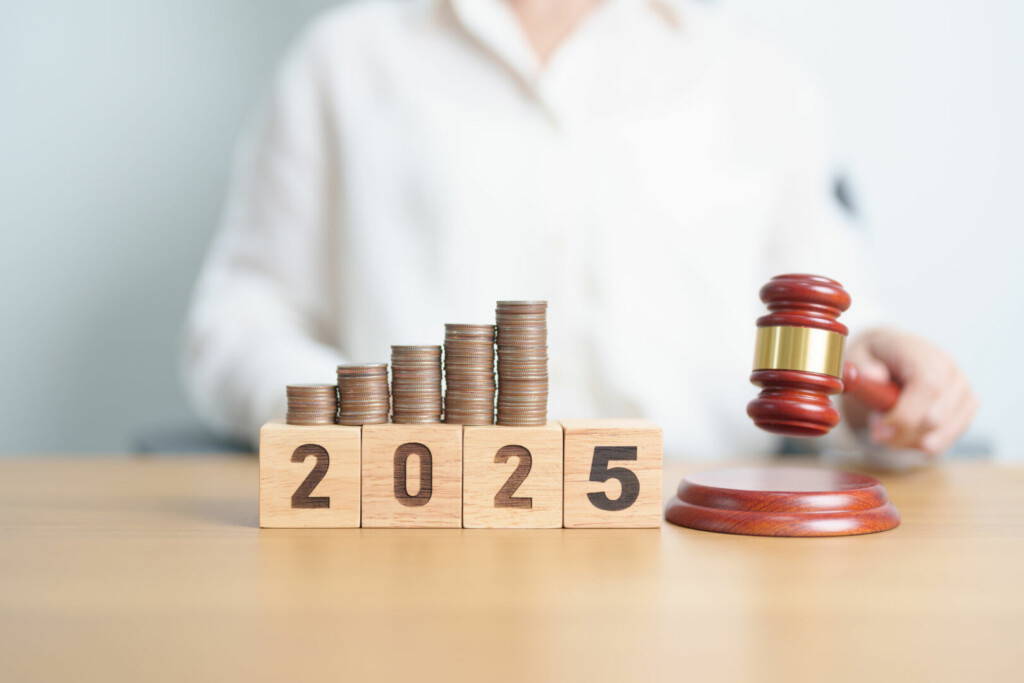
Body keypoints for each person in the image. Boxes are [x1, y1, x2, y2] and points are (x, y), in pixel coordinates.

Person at [183, 0, 976, 462]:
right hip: (419, 533)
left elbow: (830, 325)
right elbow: (237, 327)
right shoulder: (346, 61)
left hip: (699, 556)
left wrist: (881, 374)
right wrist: (367, 414)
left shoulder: (758, 79)